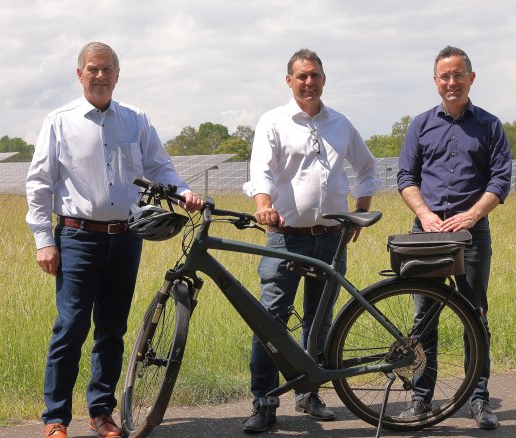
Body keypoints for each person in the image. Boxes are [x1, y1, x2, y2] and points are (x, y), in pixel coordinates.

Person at [26, 42, 202, 438]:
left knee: (112, 330)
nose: (100, 75)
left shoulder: (135, 120)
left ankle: (101, 412)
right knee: (70, 327)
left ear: (117, 74)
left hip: (126, 238)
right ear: (79, 74)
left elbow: (160, 166)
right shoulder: (59, 121)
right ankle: (55, 418)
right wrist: (43, 239)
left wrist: (183, 192)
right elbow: (38, 183)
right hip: (76, 237)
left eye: (107, 69)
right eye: (93, 69)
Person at [241, 48, 379, 434]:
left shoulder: (340, 123)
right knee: (270, 321)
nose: (308, 82)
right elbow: (261, 171)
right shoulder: (274, 121)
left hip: (330, 240)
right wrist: (263, 203)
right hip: (284, 238)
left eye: (315, 75)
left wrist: (361, 209)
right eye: (301, 76)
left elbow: (367, 168)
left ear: (324, 79)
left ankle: (309, 393)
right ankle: (264, 401)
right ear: (289, 81)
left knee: (319, 323)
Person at [396, 45, 512, 430]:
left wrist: (472, 214)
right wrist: (425, 214)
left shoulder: (490, 126)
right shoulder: (420, 125)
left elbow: (500, 179)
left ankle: (479, 400)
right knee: (424, 317)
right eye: (444, 76)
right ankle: (421, 398)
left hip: (472, 234)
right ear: (435, 82)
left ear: (471, 78)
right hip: (426, 232)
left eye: (458, 75)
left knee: (474, 315)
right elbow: (406, 178)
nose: (451, 82)